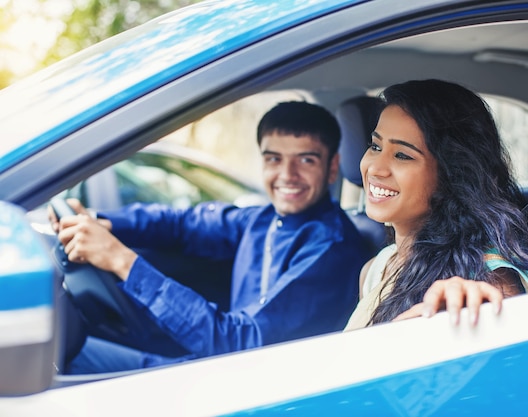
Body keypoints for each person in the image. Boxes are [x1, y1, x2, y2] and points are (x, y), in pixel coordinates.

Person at [52, 101, 370, 373]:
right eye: (274, 159)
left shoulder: (330, 250)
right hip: (212, 365)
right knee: (65, 352)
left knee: (61, 362)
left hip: (247, 385)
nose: (287, 175)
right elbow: (184, 224)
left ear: (332, 168)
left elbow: (240, 345)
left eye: (306, 160)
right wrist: (98, 221)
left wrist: (121, 260)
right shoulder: (264, 219)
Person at [344, 79, 528, 331]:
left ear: (451, 174)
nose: (375, 167)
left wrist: (469, 304)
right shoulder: (377, 268)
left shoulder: (486, 280)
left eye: (402, 155)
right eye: (375, 146)